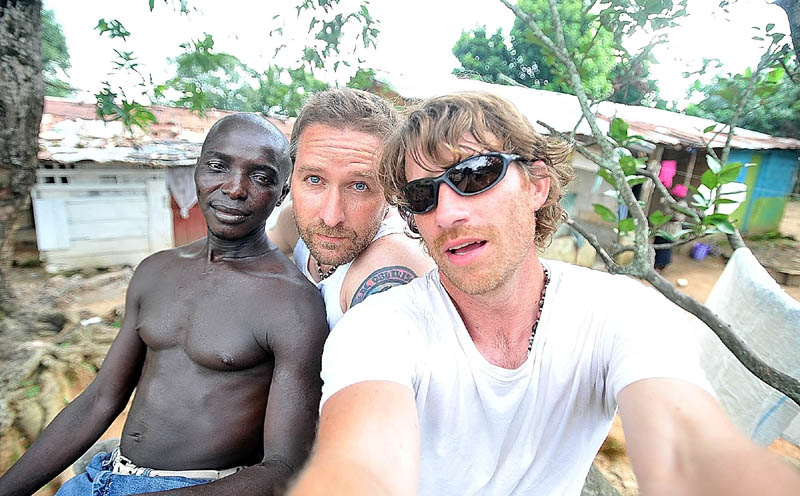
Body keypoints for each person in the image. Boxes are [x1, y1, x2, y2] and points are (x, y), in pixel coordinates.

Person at [288, 92, 800, 495]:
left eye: (474, 175)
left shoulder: (618, 312)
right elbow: (357, 466)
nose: (447, 214)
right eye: (424, 195)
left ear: (537, 184)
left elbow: (694, 457)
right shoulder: (379, 327)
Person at [0, 114, 329, 496]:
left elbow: (282, 469)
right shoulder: (156, 272)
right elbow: (99, 400)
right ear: (197, 170)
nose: (235, 189)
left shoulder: (291, 304)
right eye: (218, 167)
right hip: (100, 476)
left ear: (283, 191)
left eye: (260, 176)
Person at [269, 88, 433, 328]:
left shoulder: (389, 267)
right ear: (291, 176)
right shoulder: (291, 221)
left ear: (392, 191)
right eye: (315, 179)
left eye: (359, 186)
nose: (331, 217)